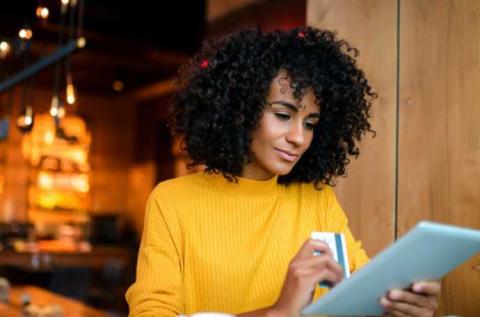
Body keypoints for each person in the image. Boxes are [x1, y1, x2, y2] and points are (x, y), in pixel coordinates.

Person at [126, 27, 440, 317]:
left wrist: (397, 303)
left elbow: (360, 288)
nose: (299, 138)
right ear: (240, 111)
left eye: (310, 124)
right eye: (282, 115)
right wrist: (279, 312)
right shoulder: (172, 201)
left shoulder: (315, 199)